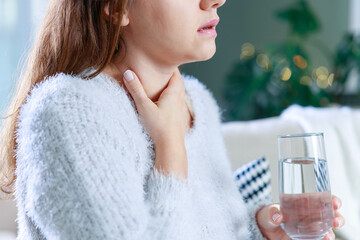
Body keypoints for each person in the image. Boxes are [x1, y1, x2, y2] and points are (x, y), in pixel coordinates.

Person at [0, 0, 344, 239]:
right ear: (116, 7)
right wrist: (170, 152)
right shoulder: (67, 112)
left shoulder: (197, 105)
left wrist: (258, 230)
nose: (215, 1)